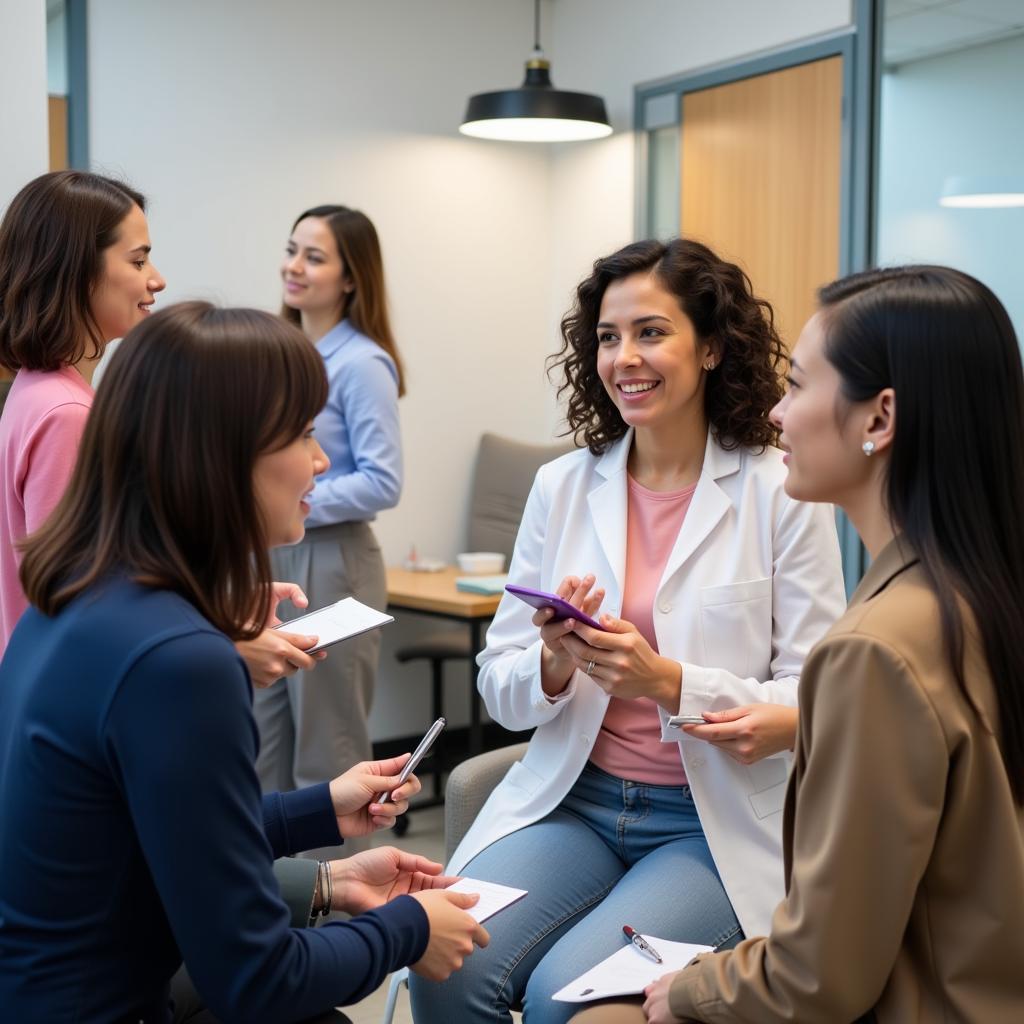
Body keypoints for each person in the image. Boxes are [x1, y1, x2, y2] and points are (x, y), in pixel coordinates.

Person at [0, 302, 488, 1023]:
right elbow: (258, 979)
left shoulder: (72, 594)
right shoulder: (180, 662)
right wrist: (409, 929)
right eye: (302, 436)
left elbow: (160, 827)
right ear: (221, 455)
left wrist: (319, 815)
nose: (321, 461)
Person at [571, 265, 1024, 1024]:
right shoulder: (977, 593)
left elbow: (822, 974)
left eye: (800, 386)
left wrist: (687, 990)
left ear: (879, 419)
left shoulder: (877, 651)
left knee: (593, 1014)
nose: (778, 414)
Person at [409, 238, 846, 1024]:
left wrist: (667, 682)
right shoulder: (564, 485)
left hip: (709, 822)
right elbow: (501, 685)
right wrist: (551, 660)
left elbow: (821, 691)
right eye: (608, 337)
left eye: (651, 332)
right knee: (445, 964)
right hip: (575, 803)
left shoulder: (781, 489)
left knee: (566, 1001)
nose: (624, 358)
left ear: (712, 347)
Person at [0, 170, 317, 682]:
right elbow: (84, 610)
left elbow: (112, 578)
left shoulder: (42, 390)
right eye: (138, 260)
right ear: (79, 270)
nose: (157, 279)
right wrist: (223, 644)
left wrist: (214, 604)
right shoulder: (66, 416)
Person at [254, 205, 405, 834]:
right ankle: (273, 905)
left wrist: (296, 499)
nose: (294, 266)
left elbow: (382, 479)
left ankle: (337, 904)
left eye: (314, 256)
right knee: (262, 748)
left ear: (350, 278)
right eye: (292, 250)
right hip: (268, 559)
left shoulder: (362, 362)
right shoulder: (282, 351)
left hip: (332, 561)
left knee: (327, 753)